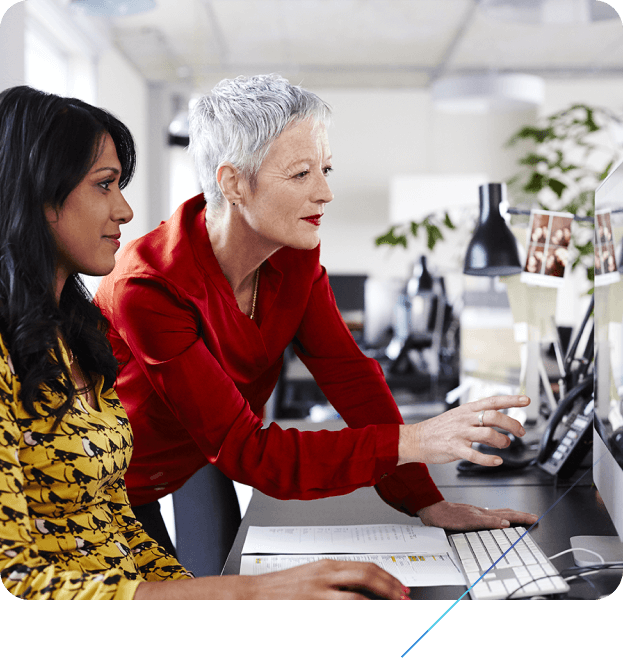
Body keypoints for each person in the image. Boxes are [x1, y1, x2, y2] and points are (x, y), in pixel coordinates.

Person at [95, 74, 538, 552]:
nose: (325, 193)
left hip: (202, 452)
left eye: (326, 170)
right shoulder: (147, 287)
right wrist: (412, 440)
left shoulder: (290, 252)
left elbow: (350, 376)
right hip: (114, 484)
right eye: (302, 174)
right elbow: (250, 452)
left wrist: (425, 501)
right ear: (234, 183)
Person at [0, 85, 409, 600]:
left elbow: (111, 519)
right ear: (35, 194)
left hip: (183, 476)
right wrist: (248, 592)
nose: (126, 211)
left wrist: (211, 591)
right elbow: (18, 581)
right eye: (105, 185)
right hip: (163, 481)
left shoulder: (72, 335)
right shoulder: (142, 288)